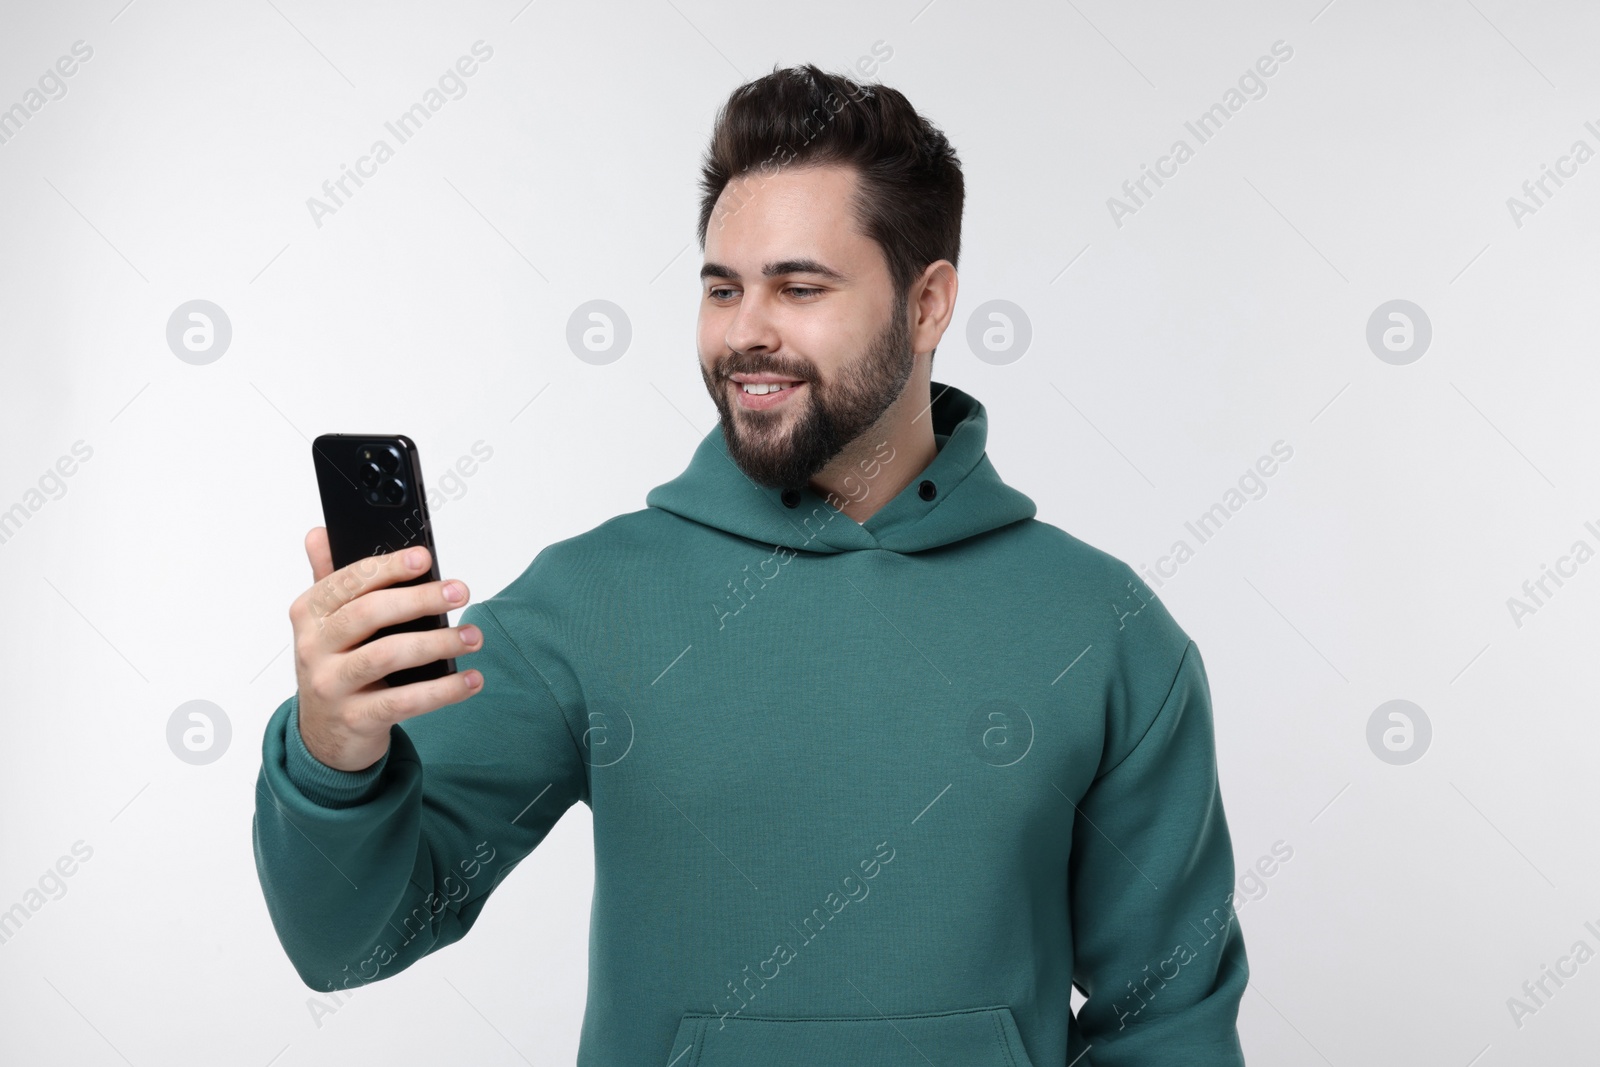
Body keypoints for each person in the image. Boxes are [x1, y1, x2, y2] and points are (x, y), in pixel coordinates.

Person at [254, 63, 1249, 1066]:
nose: (745, 333)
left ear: (928, 302)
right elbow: (349, 944)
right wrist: (336, 754)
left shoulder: (1102, 627)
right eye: (722, 287)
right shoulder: (594, 601)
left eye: (799, 287)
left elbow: (1170, 1023)